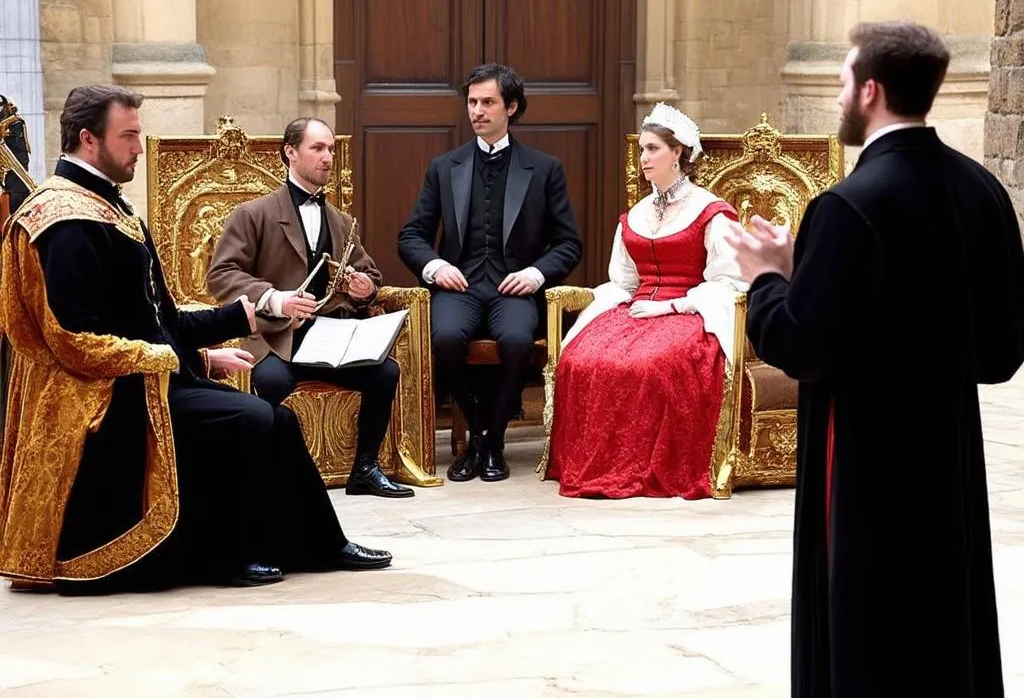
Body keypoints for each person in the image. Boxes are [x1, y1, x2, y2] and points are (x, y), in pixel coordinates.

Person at [725, 21, 1024, 698]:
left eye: (841, 81)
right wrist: (804, 271)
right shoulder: (983, 191)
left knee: (862, 633)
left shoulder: (849, 204)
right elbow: (1000, 354)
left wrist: (765, 280)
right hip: (946, 457)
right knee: (939, 627)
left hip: (861, 459)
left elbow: (803, 346)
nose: (837, 96)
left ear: (871, 91)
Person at [0, 86, 393, 594]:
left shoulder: (111, 210)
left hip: (146, 374)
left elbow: (159, 319)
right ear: (87, 139)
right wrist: (167, 357)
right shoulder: (62, 219)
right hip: (99, 395)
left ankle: (316, 544)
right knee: (249, 418)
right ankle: (224, 554)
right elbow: (73, 339)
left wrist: (216, 340)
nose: (140, 147)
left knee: (277, 418)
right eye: (130, 136)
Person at [545, 103, 745, 498]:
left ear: (679, 153)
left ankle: (643, 468)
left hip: (690, 311)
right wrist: (611, 309)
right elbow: (622, 279)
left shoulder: (711, 213)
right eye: (642, 150)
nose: (644, 158)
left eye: (653, 149)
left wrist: (671, 306)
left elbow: (729, 279)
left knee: (651, 363)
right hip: (636, 307)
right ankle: (597, 465)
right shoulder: (636, 212)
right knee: (582, 356)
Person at [207, 116, 412, 499]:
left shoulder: (341, 220)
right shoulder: (253, 214)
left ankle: (365, 469)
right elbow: (221, 275)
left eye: (331, 149)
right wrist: (275, 299)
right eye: (317, 148)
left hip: (332, 336)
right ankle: (268, 477)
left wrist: (365, 288)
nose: (327, 158)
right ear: (290, 153)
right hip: (276, 336)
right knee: (271, 382)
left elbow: (369, 273)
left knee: (385, 373)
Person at [398, 63, 582, 482]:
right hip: (459, 286)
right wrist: (435, 266)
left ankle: (492, 439)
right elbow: (411, 235)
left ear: (511, 107)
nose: (477, 111)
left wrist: (535, 274)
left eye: (487, 102)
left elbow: (569, 243)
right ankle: (479, 432)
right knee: (443, 336)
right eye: (472, 102)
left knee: (517, 341)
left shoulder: (544, 168)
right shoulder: (444, 166)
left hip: (513, 289)